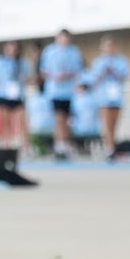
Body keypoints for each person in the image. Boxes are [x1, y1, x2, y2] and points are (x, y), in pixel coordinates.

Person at [39, 29, 84, 160]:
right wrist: (54, 76)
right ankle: (60, 144)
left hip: (68, 92)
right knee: (58, 118)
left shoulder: (74, 51)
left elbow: (77, 70)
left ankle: (66, 142)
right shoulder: (49, 51)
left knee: (67, 119)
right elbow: (43, 71)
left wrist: (67, 75)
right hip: (55, 91)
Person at [88, 35, 130, 159]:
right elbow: (93, 81)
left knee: (114, 124)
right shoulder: (98, 62)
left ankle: (111, 145)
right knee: (106, 124)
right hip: (103, 97)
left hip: (116, 96)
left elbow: (124, 77)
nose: (109, 48)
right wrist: (103, 72)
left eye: (111, 45)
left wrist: (113, 71)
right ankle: (110, 148)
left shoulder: (121, 61)